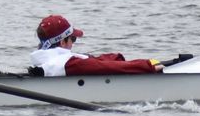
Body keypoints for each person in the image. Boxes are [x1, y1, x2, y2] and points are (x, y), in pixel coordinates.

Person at [27, 15, 161, 76]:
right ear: (62, 42)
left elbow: (94, 61)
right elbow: (105, 68)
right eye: (72, 39)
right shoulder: (69, 64)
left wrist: (115, 57)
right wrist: (149, 65)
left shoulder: (43, 61)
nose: (73, 43)